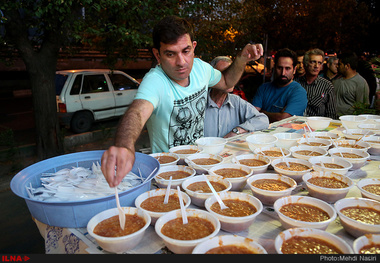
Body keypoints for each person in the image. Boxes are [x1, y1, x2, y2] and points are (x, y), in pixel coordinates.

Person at [101, 16, 264, 187]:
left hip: (200, 166)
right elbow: (137, 112)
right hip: (168, 176)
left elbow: (226, 81)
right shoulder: (155, 81)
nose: (181, 62)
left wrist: (241, 59)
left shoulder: (201, 69)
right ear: (157, 54)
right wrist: (124, 146)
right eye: (170, 54)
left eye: (185, 51)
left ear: (193, 47)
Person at [204, 56, 269, 138]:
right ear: (211, 77)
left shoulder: (236, 101)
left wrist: (237, 130)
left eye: (232, 73)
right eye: (224, 73)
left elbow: (263, 120)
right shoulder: (199, 102)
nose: (230, 78)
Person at [251, 48, 307, 123]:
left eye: (287, 68)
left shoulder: (298, 91)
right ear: (274, 68)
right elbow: (251, 114)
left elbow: (282, 119)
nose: (283, 73)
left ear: (294, 70)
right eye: (280, 68)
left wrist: (262, 112)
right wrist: (278, 114)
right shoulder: (264, 88)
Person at [295, 48, 337, 119]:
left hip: (318, 126)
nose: (316, 66)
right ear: (305, 64)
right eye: (313, 62)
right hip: (297, 125)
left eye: (319, 63)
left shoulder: (327, 86)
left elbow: (332, 115)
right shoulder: (296, 84)